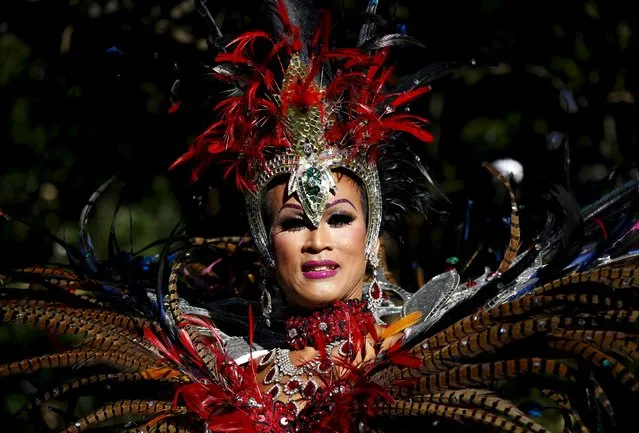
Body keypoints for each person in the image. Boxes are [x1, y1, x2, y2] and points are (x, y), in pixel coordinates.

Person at [1, 1, 638, 432]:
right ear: (264, 240)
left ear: (372, 233)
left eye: (337, 217)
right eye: (291, 223)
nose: (316, 240)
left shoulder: (439, 344)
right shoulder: (211, 365)